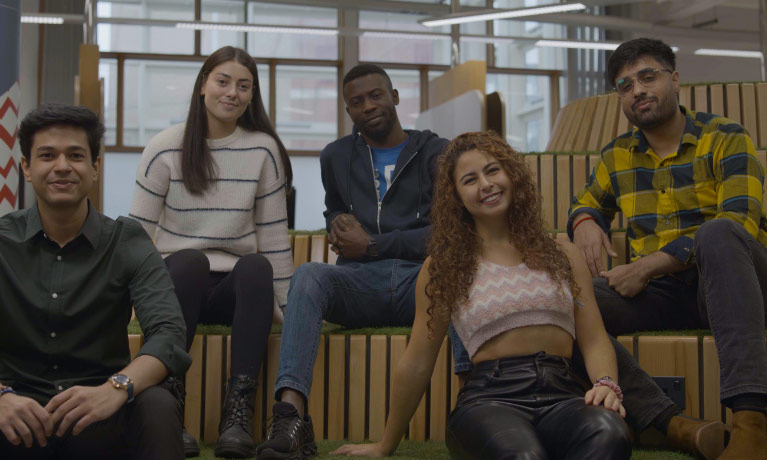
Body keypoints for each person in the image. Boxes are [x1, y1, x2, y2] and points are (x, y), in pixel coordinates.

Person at [333, 131, 631, 459]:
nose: (486, 184)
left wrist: (605, 383)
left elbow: (593, 338)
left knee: (611, 434)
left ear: (512, 176)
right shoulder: (443, 267)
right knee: (523, 457)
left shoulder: (562, 252)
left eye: (492, 171)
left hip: (564, 395)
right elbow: (418, 361)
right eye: (470, 179)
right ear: (457, 197)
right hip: (490, 401)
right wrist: (385, 444)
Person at [570, 37, 767, 458]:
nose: (637, 90)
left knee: (717, 233)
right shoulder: (616, 156)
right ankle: (672, 425)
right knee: (558, 305)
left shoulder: (725, 137)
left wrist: (647, 266)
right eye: (624, 85)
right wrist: (585, 220)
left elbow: (740, 221)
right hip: (664, 294)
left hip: (733, 280)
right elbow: (585, 201)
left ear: (675, 80)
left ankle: (751, 424)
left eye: (647, 76)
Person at [255, 64, 458, 460]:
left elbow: (449, 234)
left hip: (423, 284)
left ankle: (475, 401)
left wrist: (373, 246)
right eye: (357, 102)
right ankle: (290, 417)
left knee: (461, 274)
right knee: (310, 274)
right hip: (360, 286)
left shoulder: (438, 151)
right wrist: (337, 224)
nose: (368, 106)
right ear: (348, 111)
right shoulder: (335, 156)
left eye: (376, 95)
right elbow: (334, 209)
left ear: (395, 96)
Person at [0, 103, 191, 459]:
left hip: (100, 413)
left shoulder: (126, 240)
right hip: (14, 415)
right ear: (26, 167)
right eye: (47, 155)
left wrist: (117, 388)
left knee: (157, 405)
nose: (62, 166)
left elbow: (168, 333)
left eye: (75, 155)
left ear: (95, 167)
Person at [129, 46, 293, 458]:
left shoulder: (263, 149)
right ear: (203, 85)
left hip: (234, 294)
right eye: (223, 81)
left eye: (244, 86)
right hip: (176, 289)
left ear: (252, 96)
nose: (232, 93)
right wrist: (124, 303)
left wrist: (287, 308)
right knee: (188, 260)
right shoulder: (165, 147)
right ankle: (172, 411)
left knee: (254, 265)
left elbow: (273, 236)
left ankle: (237, 416)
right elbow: (135, 237)